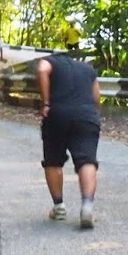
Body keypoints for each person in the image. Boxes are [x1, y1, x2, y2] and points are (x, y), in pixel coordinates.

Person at [36, 50, 101, 229]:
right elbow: (97, 97)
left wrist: (46, 103)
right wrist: (94, 115)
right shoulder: (87, 69)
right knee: (87, 160)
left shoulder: (51, 61)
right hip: (87, 115)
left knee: (53, 161)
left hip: (57, 114)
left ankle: (59, 207)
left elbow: (42, 70)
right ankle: (87, 207)